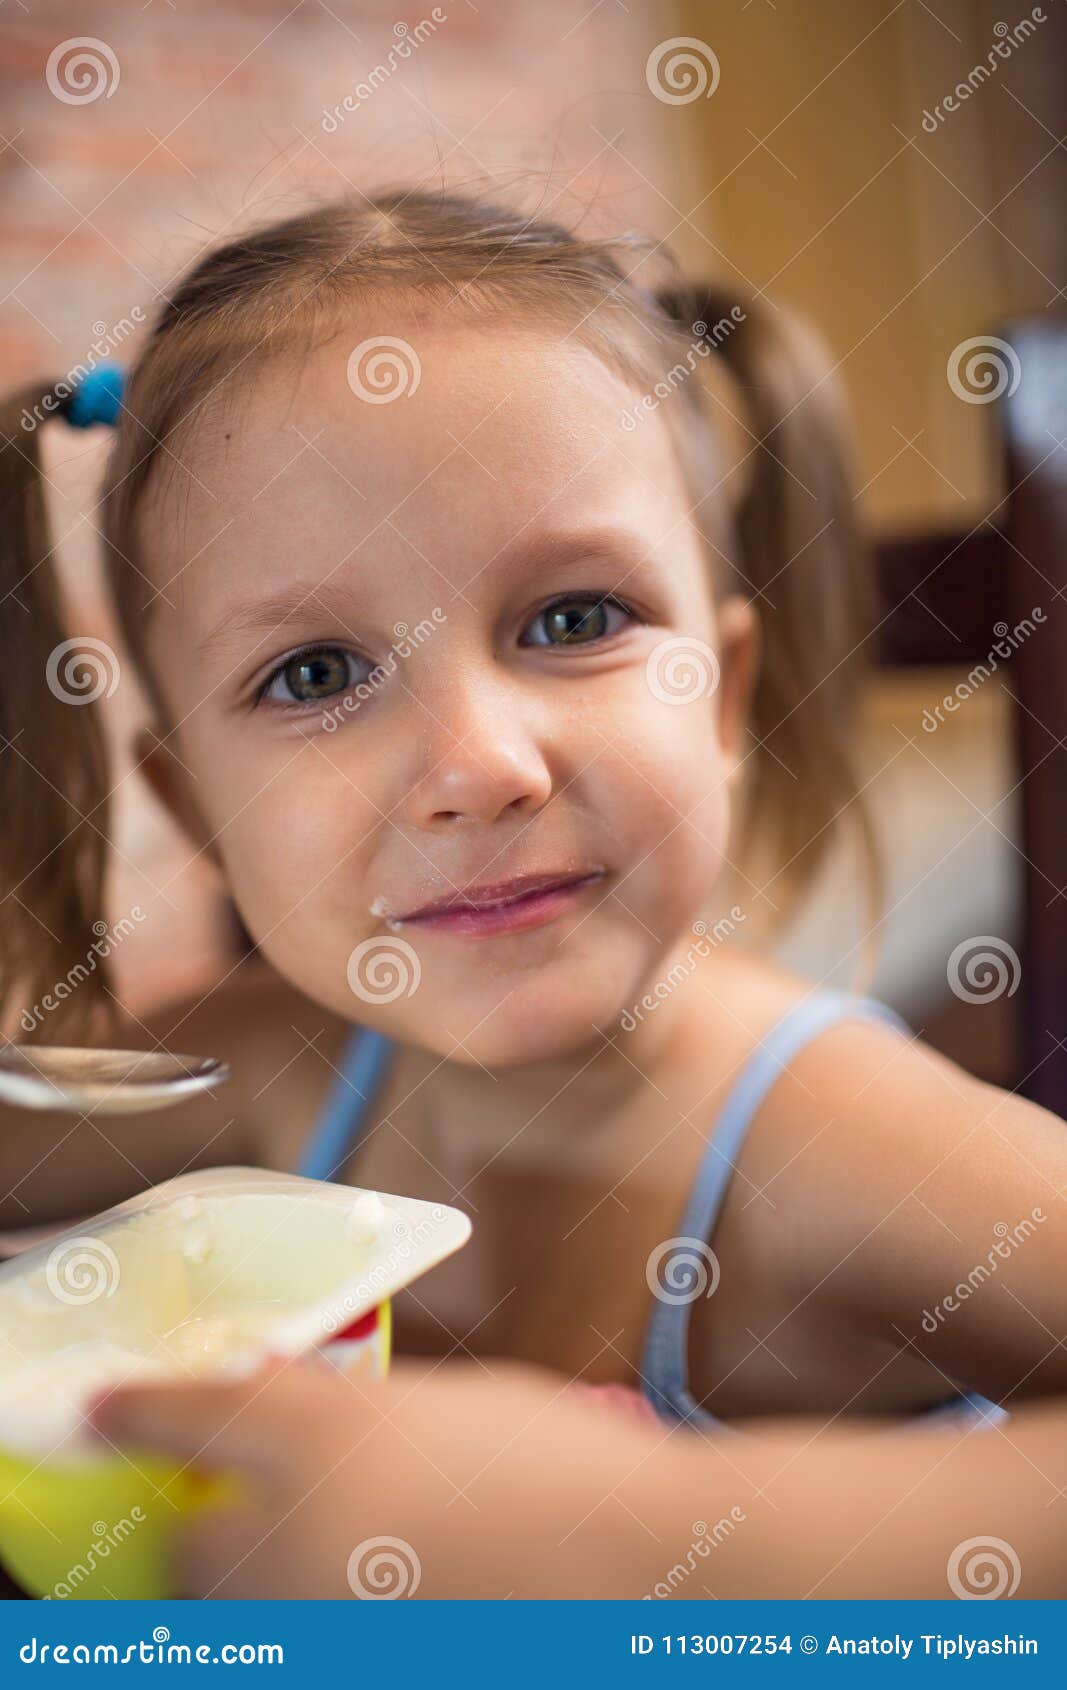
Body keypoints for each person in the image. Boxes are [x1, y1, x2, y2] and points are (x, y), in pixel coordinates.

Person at [3, 189, 1066, 1597]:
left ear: (727, 693)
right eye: (315, 673)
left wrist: (661, 1536)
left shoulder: (835, 1145)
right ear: (199, 809)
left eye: (573, 619)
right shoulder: (294, 1075)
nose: (477, 768)